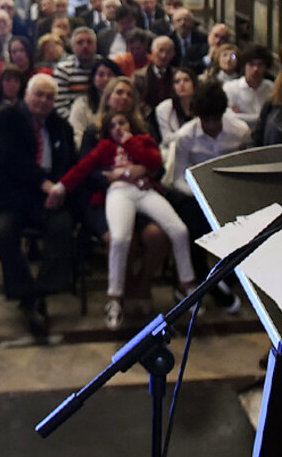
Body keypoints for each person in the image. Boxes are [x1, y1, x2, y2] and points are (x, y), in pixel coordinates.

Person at [47, 82, 196, 331]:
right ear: (108, 97)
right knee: (119, 239)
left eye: (129, 94)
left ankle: (183, 286)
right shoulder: (98, 139)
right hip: (109, 195)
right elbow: (84, 169)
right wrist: (62, 187)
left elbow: (155, 163)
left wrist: (131, 156)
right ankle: (116, 297)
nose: (124, 98)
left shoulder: (142, 135)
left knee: (174, 231)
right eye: (119, 92)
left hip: (144, 190)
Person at [0, 74, 77, 338]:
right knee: (4, 231)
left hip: (46, 198)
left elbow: (69, 162)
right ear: (26, 95)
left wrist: (61, 189)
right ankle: (26, 293)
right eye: (38, 94)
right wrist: (45, 184)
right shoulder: (8, 118)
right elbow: (9, 159)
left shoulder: (60, 125)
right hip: (6, 194)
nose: (43, 101)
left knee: (63, 226)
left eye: (49, 97)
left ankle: (39, 293)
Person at [167, 82, 250, 311]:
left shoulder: (239, 131)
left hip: (229, 192)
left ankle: (224, 279)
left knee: (248, 226)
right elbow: (177, 179)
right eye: (206, 120)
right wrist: (202, 195)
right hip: (195, 195)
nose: (212, 125)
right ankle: (207, 283)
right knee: (193, 224)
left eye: (216, 119)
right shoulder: (185, 136)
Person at [68, 57, 122, 149]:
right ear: (93, 79)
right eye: (101, 75)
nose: (105, 79)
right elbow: (76, 135)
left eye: (110, 75)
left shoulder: (123, 102)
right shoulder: (81, 104)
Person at [224, 44, 274, 130]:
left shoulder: (271, 88)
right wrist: (260, 117)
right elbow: (229, 119)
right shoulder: (230, 88)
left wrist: (242, 116)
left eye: (260, 65)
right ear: (245, 66)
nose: (255, 69)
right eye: (251, 64)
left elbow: (271, 119)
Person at [53, 26, 98, 118]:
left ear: (96, 45)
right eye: (80, 42)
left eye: (89, 42)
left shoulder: (104, 67)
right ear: (72, 47)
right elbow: (59, 106)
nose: (85, 46)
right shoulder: (63, 70)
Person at [154, 66, 197, 152]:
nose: (182, 84)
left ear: (194, 83)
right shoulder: (163, 108)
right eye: (177, 82)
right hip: (174, 149)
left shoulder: (203, 104)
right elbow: (167, 139)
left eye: (186, 80)